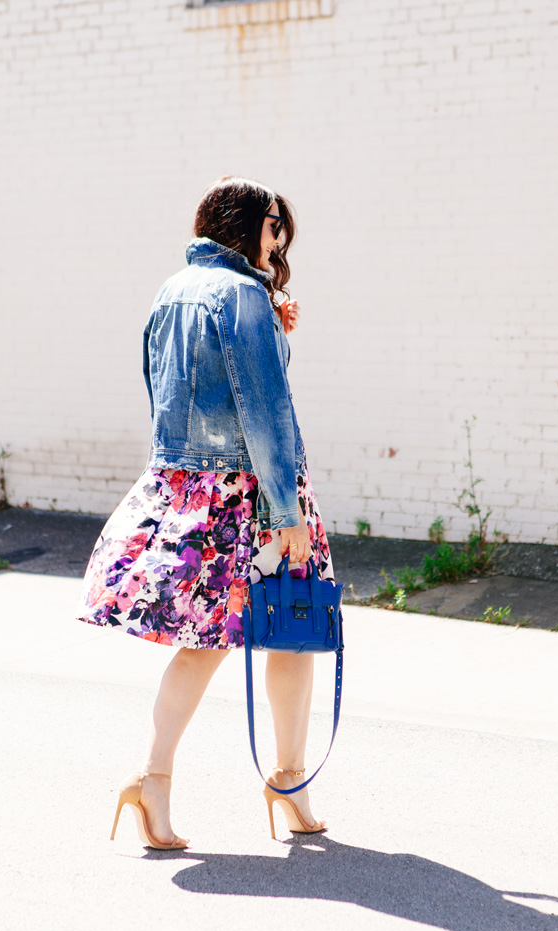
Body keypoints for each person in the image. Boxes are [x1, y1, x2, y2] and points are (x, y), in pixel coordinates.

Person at [76, 176, 335, 850]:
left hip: (190, 489)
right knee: (294, 629)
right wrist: (287, 513)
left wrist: (274, 331)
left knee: (202, 643)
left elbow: (165, 386)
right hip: (252, 494)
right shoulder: (245, 295)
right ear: (250, 224)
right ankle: (288, 782)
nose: (280, 239)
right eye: (275, 225)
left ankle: (152, 779)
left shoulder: (172, 289)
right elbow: (266, 411)